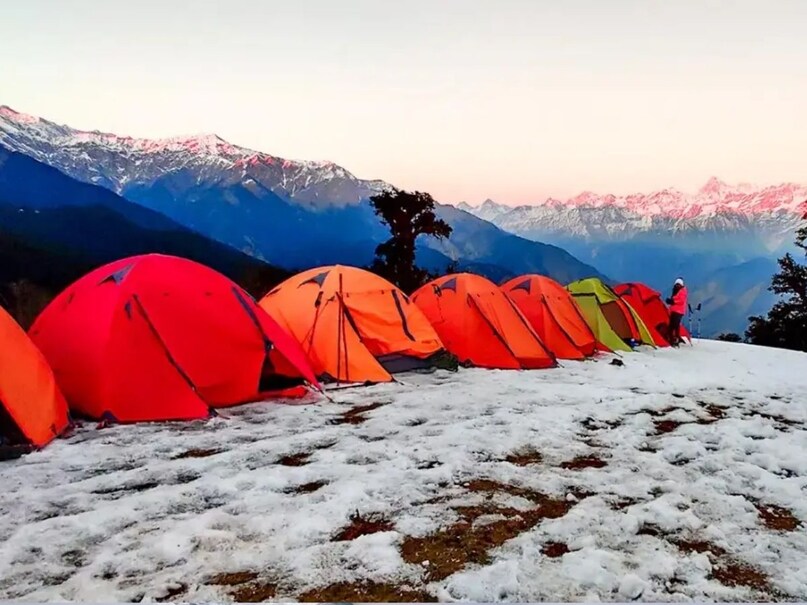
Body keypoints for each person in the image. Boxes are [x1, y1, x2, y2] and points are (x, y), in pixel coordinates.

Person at [666, 277, 688, 347]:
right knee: (673, 326)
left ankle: (675, 340)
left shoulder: (682, 291)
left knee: (675, 325)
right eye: (676, 284)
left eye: (678, 284)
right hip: (674, 310)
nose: (677, 285)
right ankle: (673, 339)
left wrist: (672, 301)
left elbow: (681, 300)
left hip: (679, 311)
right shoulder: (676, 290)